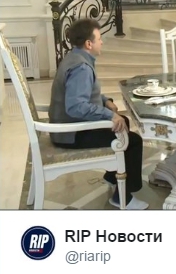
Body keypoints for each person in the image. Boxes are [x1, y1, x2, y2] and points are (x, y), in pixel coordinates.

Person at [48, 18, 148, 210]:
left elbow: (84, 92)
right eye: (99, 38)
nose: (102, 42)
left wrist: (105, 101)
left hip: (67, 127)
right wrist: (109, 115)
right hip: (70, 134)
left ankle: (112, 177)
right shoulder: (81, 68)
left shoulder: (75, 58)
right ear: (89, 43)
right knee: (133, 141)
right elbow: (76, 106)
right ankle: (123, 197)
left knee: (123, 122)